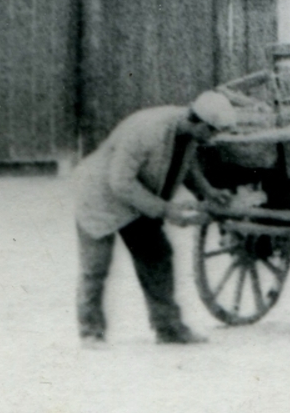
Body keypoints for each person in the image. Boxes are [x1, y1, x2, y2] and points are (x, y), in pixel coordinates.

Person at [73, 90, 239, 345]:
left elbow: (184, 165)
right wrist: (165, 210)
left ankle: (168, 329)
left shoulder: (187, 133)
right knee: (95, 267)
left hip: (138, 198)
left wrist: (207, 192)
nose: (214, 138)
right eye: (213, 131)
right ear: (200, 124)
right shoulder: (148, 131)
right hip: (99, 197)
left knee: (157, 257)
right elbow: (120, 182)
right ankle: (90, 331)